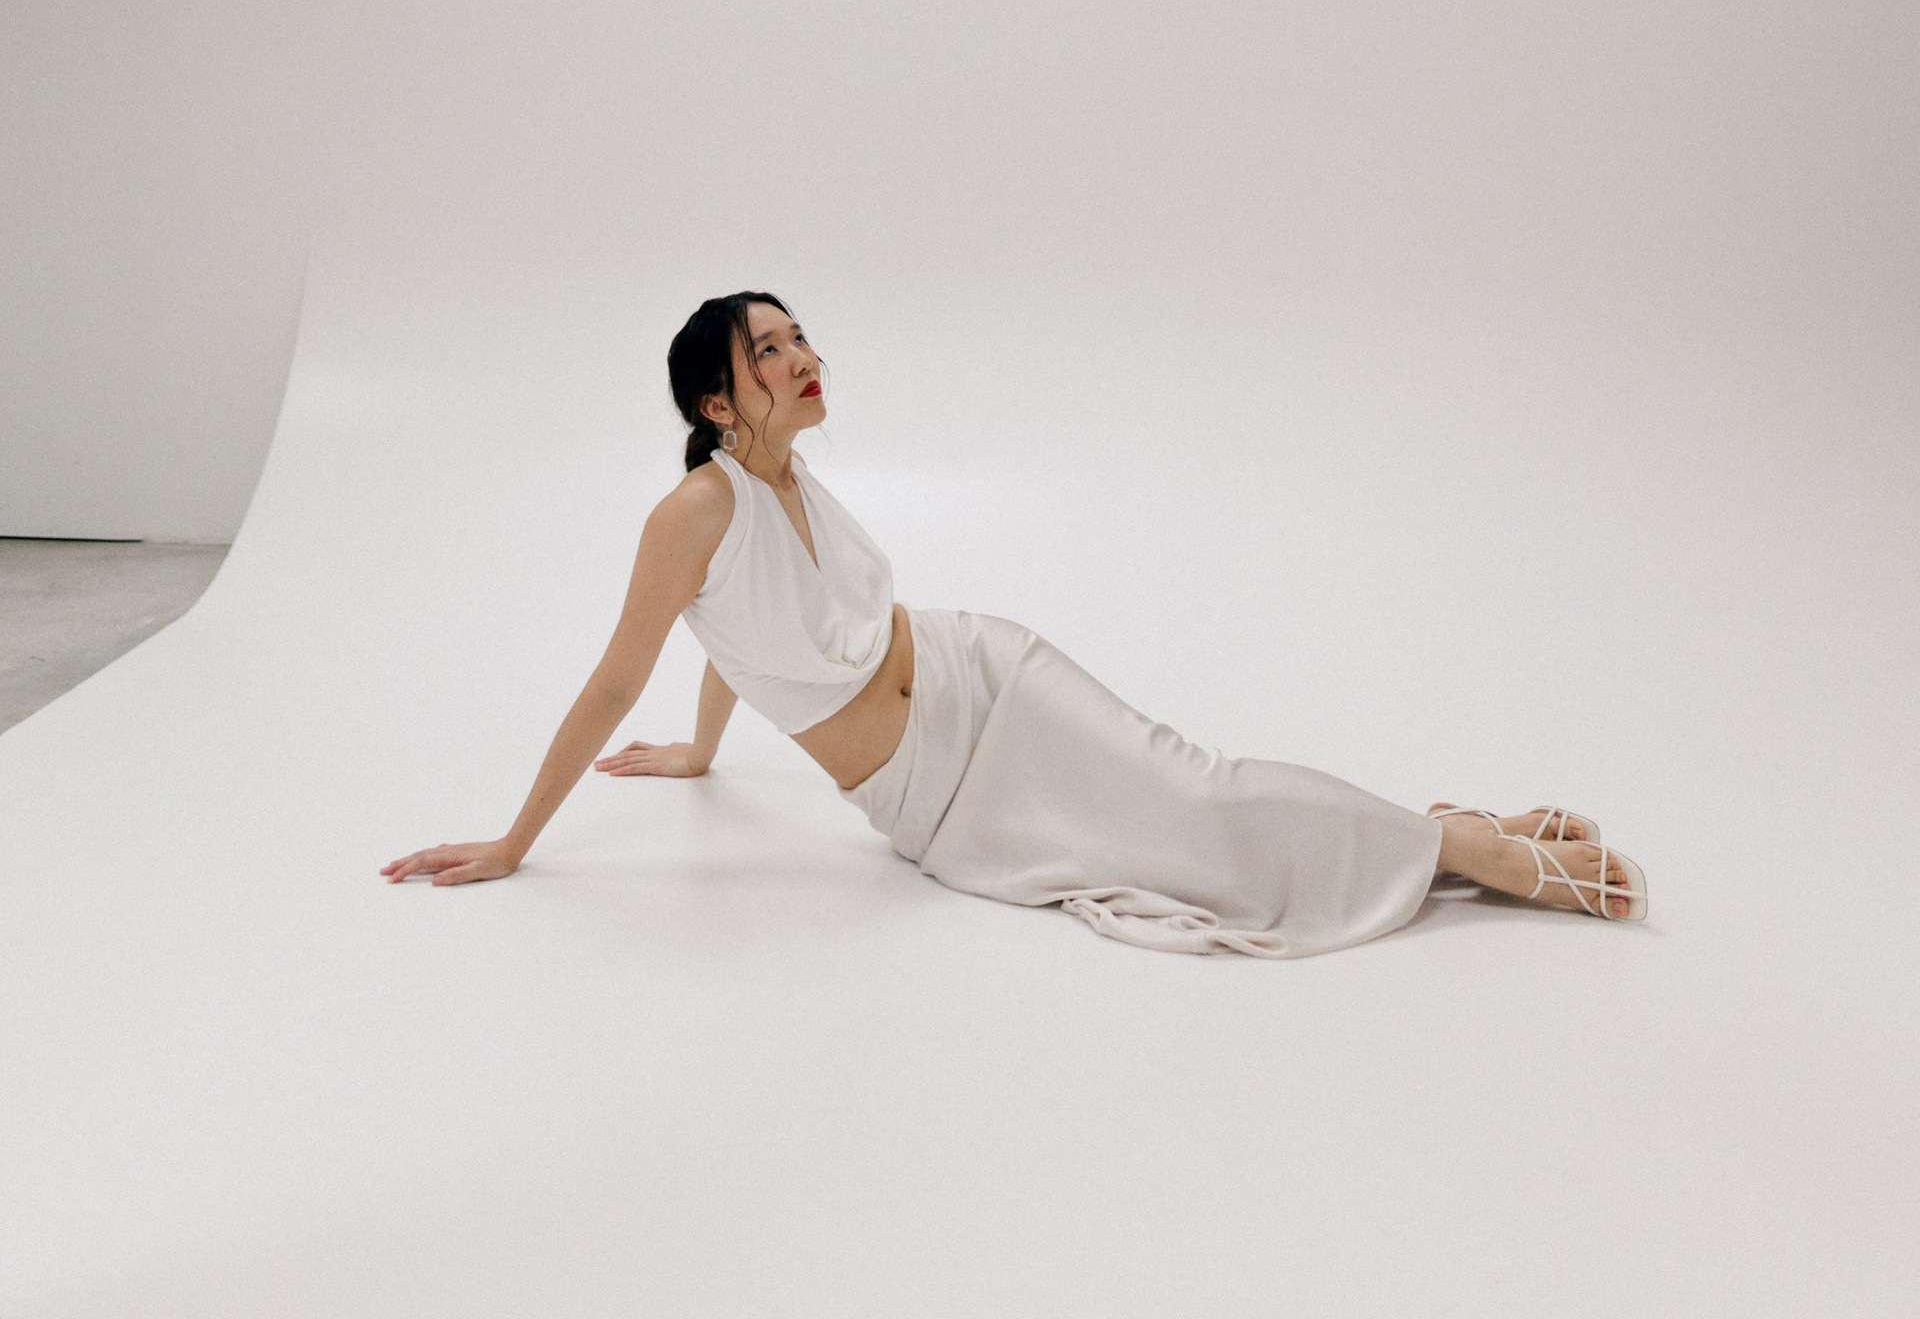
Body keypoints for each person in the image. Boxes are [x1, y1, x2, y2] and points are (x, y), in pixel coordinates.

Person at [382, 294, 1647, 953]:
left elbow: (744, 634)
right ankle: (1437, 842)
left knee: (1197, 791)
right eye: (770, 350)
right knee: (1183, 850)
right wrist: (514, 842)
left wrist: (707, 752)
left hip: (986, 675)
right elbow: (624, 677)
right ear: (718, 401)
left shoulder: (787, 479)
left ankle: (1455, 846)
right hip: (943, 802)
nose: (805, 354)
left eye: (801, 334)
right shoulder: (694, 512)